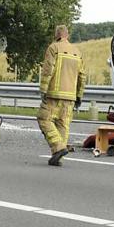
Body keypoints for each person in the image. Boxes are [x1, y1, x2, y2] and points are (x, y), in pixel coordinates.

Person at [38, 25, 86, 167]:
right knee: (63, 125)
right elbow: (82, 76)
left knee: (44, 118)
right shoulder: (77, 52)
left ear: (56, 35)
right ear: (67, 35)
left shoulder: (54, 48)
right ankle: (57, 157)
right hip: (70, 97)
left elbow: (48, 69)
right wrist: (79, 96)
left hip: (54, 94)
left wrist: (43, 90)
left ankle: (58, 147)